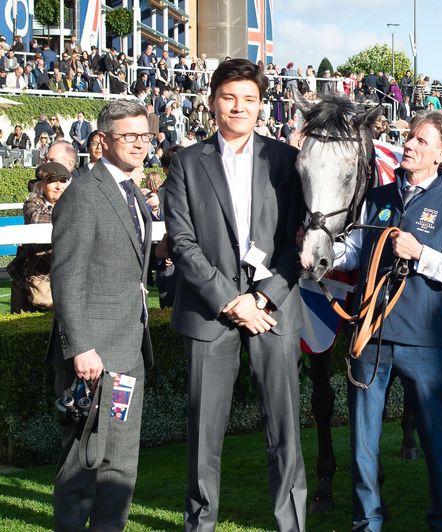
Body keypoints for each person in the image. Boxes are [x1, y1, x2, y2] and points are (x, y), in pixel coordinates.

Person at [164, 58, 308, 531]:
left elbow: (297, 240)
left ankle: (291, 523)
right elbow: (182, 243)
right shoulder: (186, 162)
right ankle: (200, 524)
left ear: (262, 104)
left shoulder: (286, 161)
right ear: (211, 103)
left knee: (285, 430)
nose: (238, 107)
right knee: (204, 433)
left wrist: (262, 298)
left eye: (249, 98)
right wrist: (232, 300)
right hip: (211, 313)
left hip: (274, 309)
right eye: (229, 97)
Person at [330, 111, 442, 532]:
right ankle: (367, 521)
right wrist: (323, 254)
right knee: (363, 440)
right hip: (371, 336)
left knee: (435, 437)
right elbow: (356, 253)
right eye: (408, 137)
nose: (408, 145)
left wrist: (422, 255)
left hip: (423, 339)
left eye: (420, 140)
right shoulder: (377, 198)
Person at [47, 99, 154, 531]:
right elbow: (66, 277)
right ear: (102, 140)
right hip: (92, 359)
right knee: (81, 467)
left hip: (127, 353)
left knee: (119, 467)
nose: (139, 144)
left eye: (145, 135)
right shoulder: (83, 194)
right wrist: (82, 348)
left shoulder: (130, 191)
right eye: (129, 136)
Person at [9, 163, 70, 313]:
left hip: (64, 272)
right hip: (34, 278)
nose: (58, 186)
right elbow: (37, 219)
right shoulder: (33, 203)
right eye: (52, 181)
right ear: (40, 185)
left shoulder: (73, 203)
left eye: (63, 181)